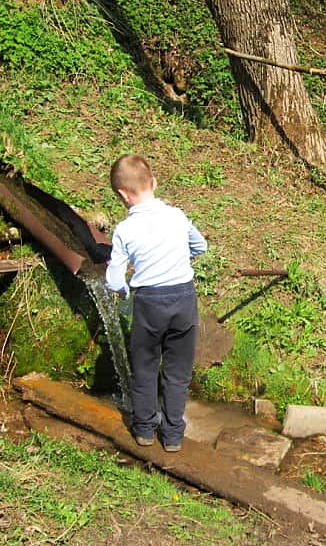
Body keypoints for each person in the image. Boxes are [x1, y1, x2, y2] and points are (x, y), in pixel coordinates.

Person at [105, 153, 207, 452]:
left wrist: (124, 293)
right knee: (177, 371)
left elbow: (113, 280)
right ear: (154, 182)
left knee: (146, 368)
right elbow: (200, 245)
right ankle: (173, 435)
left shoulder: (124, 230)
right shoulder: (176, 216)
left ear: (123, 195)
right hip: (184, 297)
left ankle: (145, 431)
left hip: (149, 302)